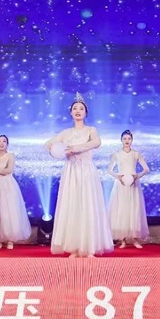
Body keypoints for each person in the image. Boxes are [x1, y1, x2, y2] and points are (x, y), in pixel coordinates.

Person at [44, 93, 113, 257]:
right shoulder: (65, 133)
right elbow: (48, 144)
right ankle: (74, 248)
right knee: (72, 207)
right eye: (74, 108)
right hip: (71, 172)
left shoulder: (91, 130)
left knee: (88, 206)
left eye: (81, 108)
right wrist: (59, 152)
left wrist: (74, 148)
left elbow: (96, 143)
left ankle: (89, 248)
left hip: (87, 171)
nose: (77, 111)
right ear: (70, 113)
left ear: (86, 113)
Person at [108, 130, 150, 248]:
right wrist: (118, 176)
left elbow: (146, 169)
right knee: (121, 209)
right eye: (125, 138)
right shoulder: (117, 154)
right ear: (121, 140)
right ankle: (122, 240)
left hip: (133, 184)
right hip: (120, 184)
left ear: (132, 140)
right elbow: (109, 170)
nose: (127, 141)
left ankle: (135, 240)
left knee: (134, 210)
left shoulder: (136, 154)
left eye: (129, 139)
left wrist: (137, 176)